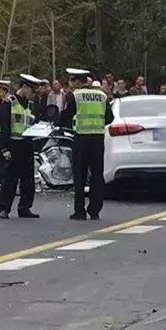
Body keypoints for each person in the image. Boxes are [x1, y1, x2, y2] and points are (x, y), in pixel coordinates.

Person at [69, 69, 113, 221]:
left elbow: (66, 116)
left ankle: (79, 211)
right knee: (96, 175)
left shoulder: (76, 95)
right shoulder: (102, 96)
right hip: (97, 139)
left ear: (77, 82)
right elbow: (110, 118)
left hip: (81, 138)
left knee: (80, 176)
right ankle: (94, 210)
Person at [0, 74, 43, 219]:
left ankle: (25, 207)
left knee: (28, 179)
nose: (32, 94)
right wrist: (4, 148)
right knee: (10, 179)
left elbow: (35, 123)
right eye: (31, 90)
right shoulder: (9, 102)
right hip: (13, 143)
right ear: (24, 87)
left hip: (27, 144)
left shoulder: (30, 105)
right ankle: (4, 208)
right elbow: (4, 125)